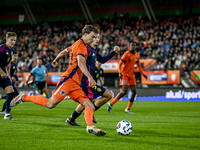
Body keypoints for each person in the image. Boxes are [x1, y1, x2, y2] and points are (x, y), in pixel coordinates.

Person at [10, 25, 106, 136]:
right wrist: (90, 77)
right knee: (50, 104)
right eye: (92, 37)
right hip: (68, 81)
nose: (94, 40)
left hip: (75, 84)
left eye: (95, 37)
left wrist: (56, 59)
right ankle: (23, 97)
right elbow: (80, 62)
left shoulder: (75, 44)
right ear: (85, 34)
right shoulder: (81, 46)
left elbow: (63, 52)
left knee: (89, 105)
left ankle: (90, 126)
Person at [66, 33, 120, 126]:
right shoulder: (85, 49)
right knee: (108, 95)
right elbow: (78, 60)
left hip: (87, 81)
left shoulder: (93, 50)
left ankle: (71, 119)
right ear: (91, 38)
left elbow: (102, 60)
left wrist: (113, 52)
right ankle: (90, 111)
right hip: (86, 81)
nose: (97, 39)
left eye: (98, 37)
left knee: (86, 102)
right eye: (95, 37)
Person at [107, 42, 148, 114]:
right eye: (132, 45)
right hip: (125, 75)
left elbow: (139, 66)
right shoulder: (126, 54)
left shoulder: (137, 55)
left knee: (134, 92)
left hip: (131, 75)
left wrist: (142, 73)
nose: (133, 47)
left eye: (134, 46)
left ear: (135, 47)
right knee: (124, 92)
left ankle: (128, 109)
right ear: (129, 46)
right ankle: (110, 104)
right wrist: (120, 72)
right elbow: (120, 63)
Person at [0, 32, 17, 120]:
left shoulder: (12, 51)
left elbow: (8, 63)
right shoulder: (2, 48)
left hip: (3, 73)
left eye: (14, 40)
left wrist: (8, 74)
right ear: (7, 40)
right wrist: (1, 72)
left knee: (11, 91)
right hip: (0, 72)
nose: (13, 42)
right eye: (11, 40)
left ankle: (7, 114)